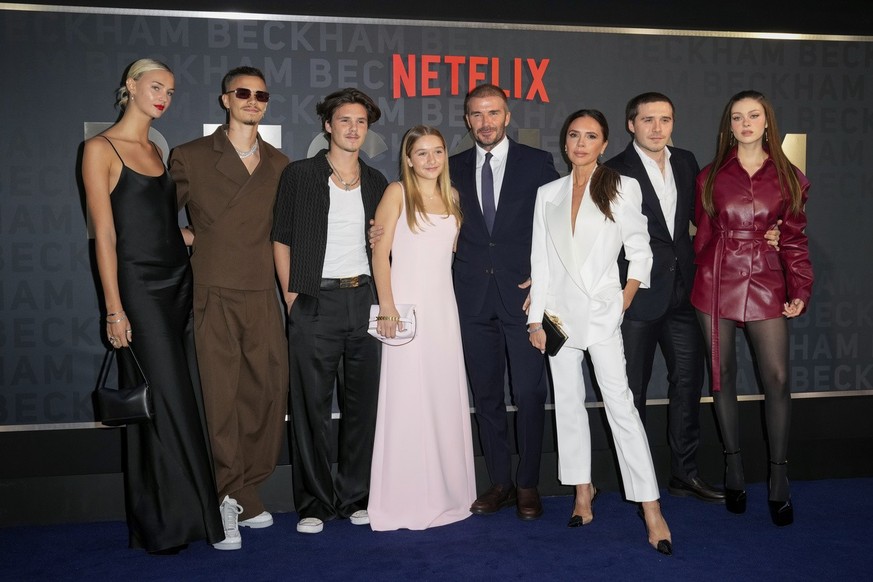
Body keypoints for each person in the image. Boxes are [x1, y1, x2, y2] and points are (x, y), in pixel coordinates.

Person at [82, 58, 223, 554]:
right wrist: (114, 309)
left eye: (171, 91)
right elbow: (105, 235)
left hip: (178, 283)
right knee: (157, 401)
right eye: (155, 86)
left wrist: (184, 235)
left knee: (180, 398)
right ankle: (162, 524)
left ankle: (194, 516)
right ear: (130, 86)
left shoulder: (156, 151)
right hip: (137, 290)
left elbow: (155, 218)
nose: (164, 96)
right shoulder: (99, 148)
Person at [528, 109, 672, 555]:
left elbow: (640, 248)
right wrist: (536, 320)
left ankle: (651, 508)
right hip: (557, 318)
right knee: (568, 406)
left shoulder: (621, 185)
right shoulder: (547, 193)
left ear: (604, 143)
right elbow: (542, 261)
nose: (581, 142)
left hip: (603, 313)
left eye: (591, 136)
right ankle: (581, 492)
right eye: (574, 134)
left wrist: (624, 298)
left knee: (621, 408)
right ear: (565, 141)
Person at [169, 66, 289, 550]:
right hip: (213, 289)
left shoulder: (281, 164)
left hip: (262, 290)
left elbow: (292, 229)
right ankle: (224, 496)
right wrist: (192, 239)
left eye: (261, 95)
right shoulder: (192, 156)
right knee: (219, 397)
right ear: (225, 99)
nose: (252, 100)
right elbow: (155, 217)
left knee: (264, 395)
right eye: (243, 93)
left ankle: (247, 486)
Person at [692, 90, 812, 526]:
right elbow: (702, 237)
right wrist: (704, 275)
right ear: (729, 125)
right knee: (722, 378)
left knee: (777, 378)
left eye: (754, 116)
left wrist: (799, 286)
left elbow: (795, 239)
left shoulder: (789, 177)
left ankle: (779, 476)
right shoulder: (708, 176)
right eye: (738, 117)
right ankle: (733, 466)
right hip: (715, 281)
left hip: (765, 278)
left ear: (767, 122)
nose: (746, 123)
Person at [272, 88, 388, 534]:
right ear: (328, 125)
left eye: (360, 122)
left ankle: (356, 496)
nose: (353, 128)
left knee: (362, 408)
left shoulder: (378, 180)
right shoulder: (300, 175)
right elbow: (280, 237)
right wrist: (290, 296)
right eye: (344, 120)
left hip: (365, 301)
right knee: (310, 409)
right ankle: (315, 504)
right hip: (313, 300)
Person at [450, 84, 559, 520]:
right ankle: (500, 481)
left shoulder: (537, 163)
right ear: (467, 119)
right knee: (487, 395)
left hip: (524, 299)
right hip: (471, 299)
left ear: (507, 116)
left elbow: (557, 228)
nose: (485, 122)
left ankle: (528, 481)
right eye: (476, 114)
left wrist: (546, 278)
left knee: (531, 392)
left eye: (493, 113)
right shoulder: (451, 167)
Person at [367, 126, 476, 531]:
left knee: (442, 397)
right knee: (407, 399)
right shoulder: (397, 192)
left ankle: (449, 493)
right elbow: (380, 256)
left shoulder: (454, 198)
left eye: (438, 151)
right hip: (406, 310)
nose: (431, 160)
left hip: (444, 311)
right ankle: (403, 498)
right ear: (408, 158)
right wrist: (388, 308)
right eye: (422, 153)